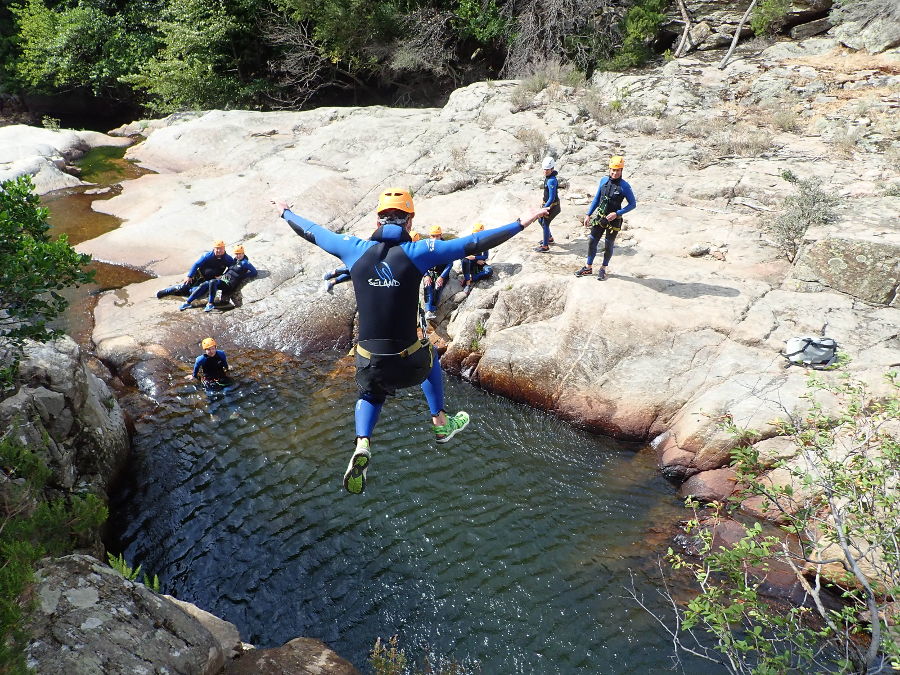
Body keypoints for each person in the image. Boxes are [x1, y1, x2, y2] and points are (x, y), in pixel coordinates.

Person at [274, 189, 547, 494]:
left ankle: (363, 442)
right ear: (410, 220)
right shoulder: (420, 252)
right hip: (409, 364)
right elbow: (473, 243)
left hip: (369, 362)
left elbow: (312, 232)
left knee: (370, 392)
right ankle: (441, 422)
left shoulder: (352, 249)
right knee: (429, 353)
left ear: (378, 218)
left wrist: (286, 211)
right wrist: (521, 222)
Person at [574, 155, 636, 281]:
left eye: (618, 170)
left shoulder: (624, 186)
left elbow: (632, 204)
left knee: (608, 245)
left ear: (621, 171)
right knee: (592, 241)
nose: (615, 173)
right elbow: (597, 199)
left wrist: (617, 213)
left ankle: (603, 268)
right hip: (600, 217)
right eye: (613, 170)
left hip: (614, 220)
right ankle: (588, 267)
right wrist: (588, 214)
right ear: (609, 169)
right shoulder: (603, 181)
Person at [180, 244, 258, 311]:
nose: (238, 255)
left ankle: (210, 304)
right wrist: (222, 275)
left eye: (240, 254)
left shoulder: (245, 263)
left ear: (243, 253)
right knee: (205, 284)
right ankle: (187, 303)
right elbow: (230, 271)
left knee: (212, 282)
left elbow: (254, 272)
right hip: (224, 280)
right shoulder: (235, 260)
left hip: (229, 284)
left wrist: (241, 277)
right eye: (236, 254)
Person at [157, 240, 234, 298]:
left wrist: (223, 275)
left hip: (210, 280)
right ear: (214, 249)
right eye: (217, 249)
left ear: (224, 249)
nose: (219, 251)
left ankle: (185, 292)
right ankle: (165, 291)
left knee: (194, 291)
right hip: (198, 276)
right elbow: (196, 264)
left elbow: (232, 269)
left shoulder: (228, 259)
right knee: (184, 287)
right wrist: (189, 276)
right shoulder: (207, 256)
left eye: (221, 249)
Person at [422, 225, 452, 320]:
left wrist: (442, 277)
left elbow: (450, 264)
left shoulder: (446, 246)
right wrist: (426, 275)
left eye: (437, 236)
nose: (435, 238)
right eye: (433, 236)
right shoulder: (426, 246)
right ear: (430, 236)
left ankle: (432, 309)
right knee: (427, 285)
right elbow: (421, 261)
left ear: (441, 235)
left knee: (438, 286)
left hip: (441, 272)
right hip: (431, 272)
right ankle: (428, 310)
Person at [533, 156, 561, 253]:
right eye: (544, 169)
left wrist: (544, 208)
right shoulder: (548, 178)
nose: (545, 171)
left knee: (545, 222)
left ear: (552, 169)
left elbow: (552, 198)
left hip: (553, 206)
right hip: (549, 204)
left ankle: (545, 246)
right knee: (540, 220)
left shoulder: (552, 180)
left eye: (547, 170)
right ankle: (549, 238)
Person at [460, 223, 493, 295]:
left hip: (478, 262)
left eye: (479, 233)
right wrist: (476, 260)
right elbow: (461, 256)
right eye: (476, 233)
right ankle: (468, 284)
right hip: (469, 263)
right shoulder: (468, 241)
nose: (477, 235)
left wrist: (475, 258)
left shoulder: (484, 243)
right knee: (465, 261)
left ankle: (471, 279)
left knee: (489, 271)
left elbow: (485, 256)